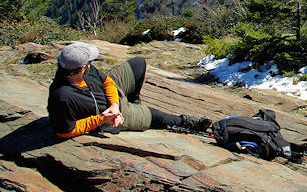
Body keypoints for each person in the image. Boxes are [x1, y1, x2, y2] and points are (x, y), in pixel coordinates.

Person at [47, 42, 211, 138]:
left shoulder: (82, 70)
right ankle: (187, 122)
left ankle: (134, 100)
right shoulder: (62, 97)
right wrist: (101, 120)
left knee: (139, 63)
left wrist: (114, 103)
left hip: (114, 102)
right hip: (111, 117)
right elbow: (66, 131)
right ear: (82, 68)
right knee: (159, 117)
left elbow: (108, 82)